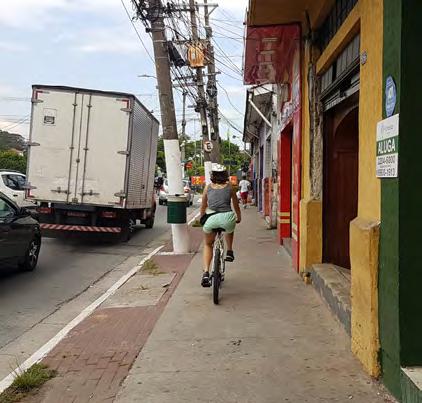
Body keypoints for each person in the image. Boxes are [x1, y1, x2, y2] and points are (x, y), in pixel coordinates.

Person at [200, 164, 241, 287]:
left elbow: (203, 206)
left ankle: (206, 273)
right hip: (227, 218)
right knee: (230, 228)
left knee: (208, 244)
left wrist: (202, 218)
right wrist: (239, 217)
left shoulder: (207, 188)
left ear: (212, 175)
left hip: (211, 219)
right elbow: (236, 205)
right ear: (225, 175)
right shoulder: (230, 187)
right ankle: (229, 251)